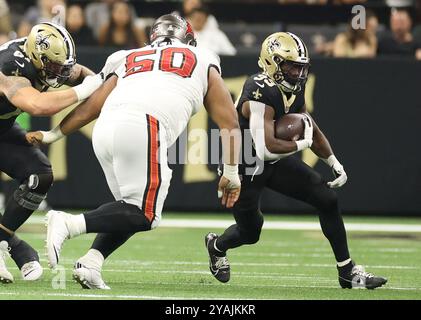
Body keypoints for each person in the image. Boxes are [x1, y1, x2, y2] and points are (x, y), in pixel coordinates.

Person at [27, 14, 242, 290]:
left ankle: (91, 262)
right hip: (145, 125)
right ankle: (68, 223)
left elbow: (92, 106)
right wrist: (233, 172)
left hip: (106, 129)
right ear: (189, 40)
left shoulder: (127, 56)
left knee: (127, 208)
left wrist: (53, 134)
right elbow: (230, 122)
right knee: (145, 214)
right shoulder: (202, 56)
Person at [204, 32, 388, 289]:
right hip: (246, 165)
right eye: (291, 65)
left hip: (274, 161)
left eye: (301, 66)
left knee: (327, 199)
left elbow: (309, 124)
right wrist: (302, 144)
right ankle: (217, 245)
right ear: (272, 62)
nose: (297, 73)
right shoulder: (259, 88)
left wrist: (333, 161)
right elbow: (266, 147)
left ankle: (347, 271)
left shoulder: (292, 88)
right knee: (251, 231)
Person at [0, 22, 102, 283]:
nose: (60, 74)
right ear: (37, 57)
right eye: (55, 67)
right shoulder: (10, 65)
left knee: (40, 176)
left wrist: (93, 81)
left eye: (62, 67)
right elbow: (36, 105)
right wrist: (85, 89)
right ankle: (17, 248)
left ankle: (7, 244)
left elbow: (85, 76)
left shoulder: (48, 58)